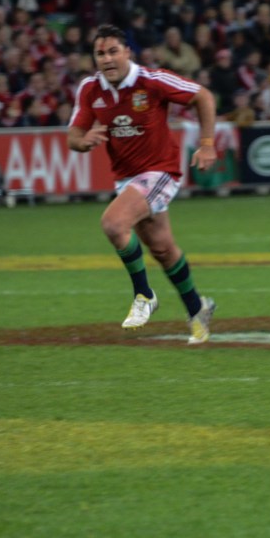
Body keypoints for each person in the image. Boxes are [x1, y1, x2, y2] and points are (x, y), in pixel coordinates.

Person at [67, 24, 218, 344]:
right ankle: (198, 308)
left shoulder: (152, 81)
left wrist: (206, 144)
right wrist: (84, 142)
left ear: (127, 54)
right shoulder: (89, 89)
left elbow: (202, 96)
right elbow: (74, 137)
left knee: (113, 223)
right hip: (127, 178)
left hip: (160, 171)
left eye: (113, 51)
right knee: (162, 249)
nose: (106, 59)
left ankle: (144, 294)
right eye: (100, 53)